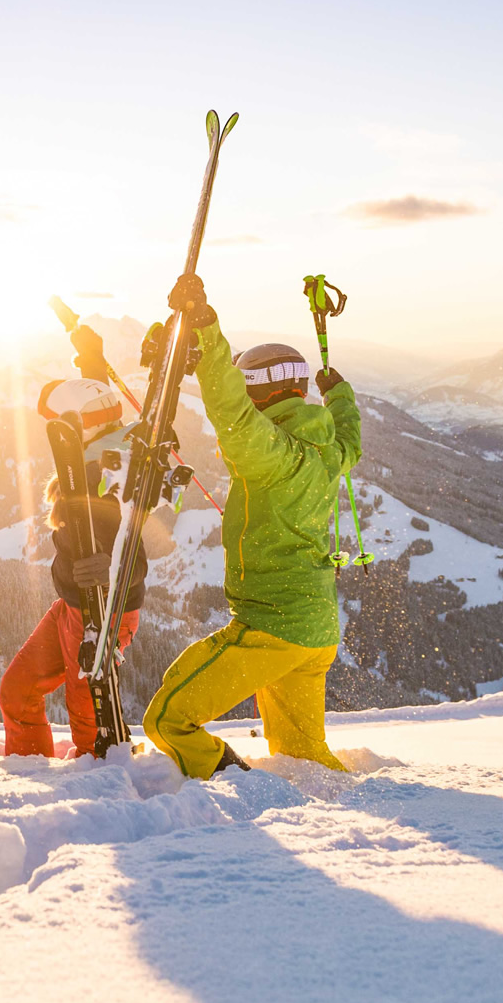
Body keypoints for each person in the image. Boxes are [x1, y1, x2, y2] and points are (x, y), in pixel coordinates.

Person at [143, 273, 360, 778]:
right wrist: (341, 395)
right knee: (303, 757)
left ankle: (231, 782)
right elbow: (351, 434)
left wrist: (206, 327)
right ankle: (344, 811)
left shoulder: (274, 455)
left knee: (168, 720)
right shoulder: (330, 450)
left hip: (273, 626)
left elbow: (230, 409)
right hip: (317, 631)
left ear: (261, 394)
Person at [0, 323, 147, 757]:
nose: (54, 431)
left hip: (105, 612)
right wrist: (89, 357)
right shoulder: (87, 451)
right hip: (72, 606)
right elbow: (95, 399)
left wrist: (114, 570)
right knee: (18, 689)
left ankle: (101, 796)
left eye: (61, 425)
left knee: (90, 722)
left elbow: (136, 545)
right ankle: (28, 772)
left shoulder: (117, 473)